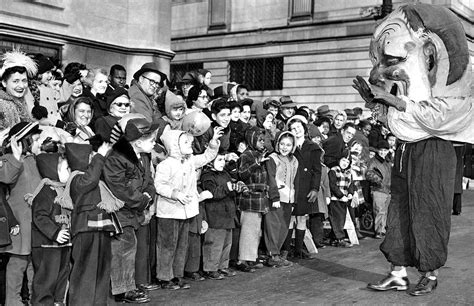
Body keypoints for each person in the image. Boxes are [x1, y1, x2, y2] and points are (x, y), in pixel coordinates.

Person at [353, 3, 473, 296]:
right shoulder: (403, 87)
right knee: (399, 212)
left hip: (433, 152)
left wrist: (396, 103)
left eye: (391, 59)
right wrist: (374, 102)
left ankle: (430, 274)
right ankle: (397, 273)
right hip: (405, 151)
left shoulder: (457, 90)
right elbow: (396, 121)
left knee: (427, 211)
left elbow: (437, 115)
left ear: (430, 54)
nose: (378, 73)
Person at [154, 127, 221, 289]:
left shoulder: (190, 160)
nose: (190, 144)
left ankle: (177, 275)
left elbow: (207, 157)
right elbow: (159, 185)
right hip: (169, 212)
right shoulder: (166, 165)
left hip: (185, 212)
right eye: (185, 142)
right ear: (174, 145)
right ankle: (164, 277)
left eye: (190, 141)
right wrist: (174, 193)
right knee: (167, 245)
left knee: (181, 245)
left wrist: (213, 144)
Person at [103, 118, 158, 303]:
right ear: (139, 142)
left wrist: (147, 196)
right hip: (118, 211)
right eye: (151, 140)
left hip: (133, 210)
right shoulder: (116, 158)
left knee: (128, 247)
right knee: (123, 248)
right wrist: (142, 200)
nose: (154, 143)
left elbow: (149, 181)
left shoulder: (144, 155)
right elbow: (119, 187)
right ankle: (123, 290)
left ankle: (127, 286)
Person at [65, 142, 118, 306]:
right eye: (90, 157)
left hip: (100, 229)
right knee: (85, 272)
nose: (94, 159)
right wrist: (100, 156)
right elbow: (91, 179)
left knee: (101, 270)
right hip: (85, 230)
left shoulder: (88, 177)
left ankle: (99, 302)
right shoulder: (77, 179)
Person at [0, 122, 42, 306]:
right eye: (35, 138)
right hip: (19, 220)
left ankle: (36, 299)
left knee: (36, 263)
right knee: (18, 263)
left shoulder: (34, 159)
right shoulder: (8, 159)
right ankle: (12, 302)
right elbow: (6, 177)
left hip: (37, 218)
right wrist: (16, 156)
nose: (39, 141)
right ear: (23, 140)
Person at [30, 153, 71, 306]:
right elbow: (39, 216)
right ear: (53, 170)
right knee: (46, 280)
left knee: (61, 276)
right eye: (66, 168)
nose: (69, 171)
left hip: (62, 244)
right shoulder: (45, 193)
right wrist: (55, 233)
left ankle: (58, 301)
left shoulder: (63, 191)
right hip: (47, 245)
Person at [236, 126, 278, 269]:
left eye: (263, 140)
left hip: (259, 198)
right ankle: (243, 259)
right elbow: (242, 174)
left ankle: (251, 257)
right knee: (248, 230)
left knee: (255, 231)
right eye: (259, 140)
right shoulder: (246, 155)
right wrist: (257, 163)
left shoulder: (260, 154)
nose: (262, 143)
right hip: (249, 198)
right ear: (251, 139)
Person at [200, 153, 245, 278]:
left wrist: (237, 187)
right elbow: (213, 193)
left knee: (226, 243)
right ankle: (210, 268)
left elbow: (233, 180)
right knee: (214, 243)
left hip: (228, 214)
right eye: (219, 159)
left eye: (223, 160)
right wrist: (228, 187)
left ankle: (222, 266)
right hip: (215, 216)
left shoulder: (225, 174)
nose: (222, 162)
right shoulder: (207, 177)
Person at [287, 115, 321, 259]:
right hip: (290, 186)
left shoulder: (313, 147)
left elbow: (317, 170)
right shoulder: (288, 146)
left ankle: (298, 249)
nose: (297, 131)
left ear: (304, 129)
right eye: (293, 129)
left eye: (299, 127)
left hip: (306, 187)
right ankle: (286, 249)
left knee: (301, 218)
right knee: (289, 218)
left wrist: (315, 189)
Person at [266, 131, 298, 265]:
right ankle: (273, 255)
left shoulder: (294, 160)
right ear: (277, 144)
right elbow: (271, 179)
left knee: (284, 226)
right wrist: (274, 197)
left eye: (288, 145)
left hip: (288, 199)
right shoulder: (272, 158)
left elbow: (295, 180)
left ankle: (277, 253)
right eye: (282, 144)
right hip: (276, 199)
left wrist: (294, 199)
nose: (285, 147)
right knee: (273, 226)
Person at [0, 50, 37, 130]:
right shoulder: (2, 105)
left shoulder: (22, 102)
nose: (21, 86)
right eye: (15, 81)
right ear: (4, 83)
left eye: (24, 81)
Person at [366, 140, 391, 239]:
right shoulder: (373, 161)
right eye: (381, 150)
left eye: (385, 150)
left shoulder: (388, 162)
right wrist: (379, 181)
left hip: (387, 189)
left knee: (385, 211)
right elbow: (368, 173)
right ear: (377, 150)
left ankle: (383, 229)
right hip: (378, 189)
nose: (383, 152)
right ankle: (378, 230)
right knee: (379, 210)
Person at [327, 154, 354, 248]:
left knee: (341, 219)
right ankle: (340, 238)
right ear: (339, 160)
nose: (345, 164)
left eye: (347, 162)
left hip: (344, 199)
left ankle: (334, 238)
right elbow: (332, 185)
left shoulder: (349, 172)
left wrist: (350, 193)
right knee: (337, 219)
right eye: (343, 161)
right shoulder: (333, 171)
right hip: (335, 198)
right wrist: (340, 195)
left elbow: (351, 184)